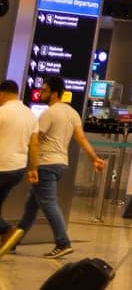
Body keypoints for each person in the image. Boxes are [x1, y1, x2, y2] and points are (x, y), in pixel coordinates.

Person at [7, 75, 105, 259]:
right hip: (60, 164)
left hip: (46, 164)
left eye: (44, 90)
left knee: (49, 204)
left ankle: (63, 242)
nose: (40, 93)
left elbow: (36, 139)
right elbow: (81, 138)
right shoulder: (72, 113)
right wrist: (94, 158)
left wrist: (31, 164)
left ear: (54, 93)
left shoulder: (48, 113)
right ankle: (13, 242)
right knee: (31, 207)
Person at [0, 81, 37, 256]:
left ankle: (8, 230)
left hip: (2, 165)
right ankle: (5, 235)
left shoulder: (2, 112)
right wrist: (33, 168)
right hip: (18, 169)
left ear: (1, 94)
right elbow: (34, 145)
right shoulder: (30, 114)